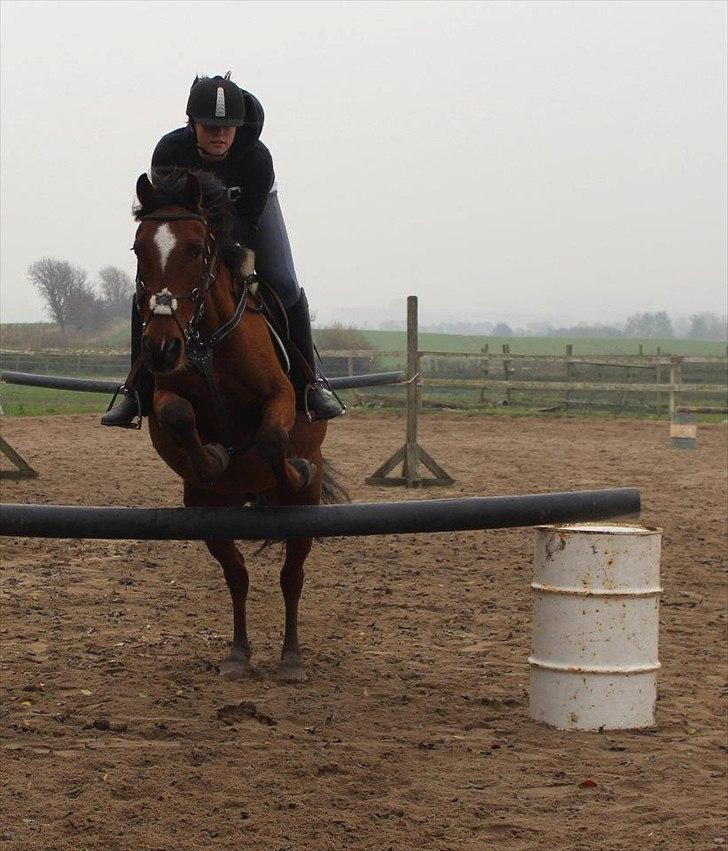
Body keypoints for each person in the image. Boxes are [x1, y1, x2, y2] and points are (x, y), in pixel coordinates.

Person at [102, 73, 344, 426]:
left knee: (284, 282)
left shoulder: (257, 159)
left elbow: (247, 226)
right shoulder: (169, 152)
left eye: (228, 126)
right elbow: (164, 214)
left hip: (246, 220)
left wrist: (216, 247)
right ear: (192, 124)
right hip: (189, 224)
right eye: (210, 126)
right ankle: (136, 391)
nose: (220, 133)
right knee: (149, 293)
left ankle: (311, 385)